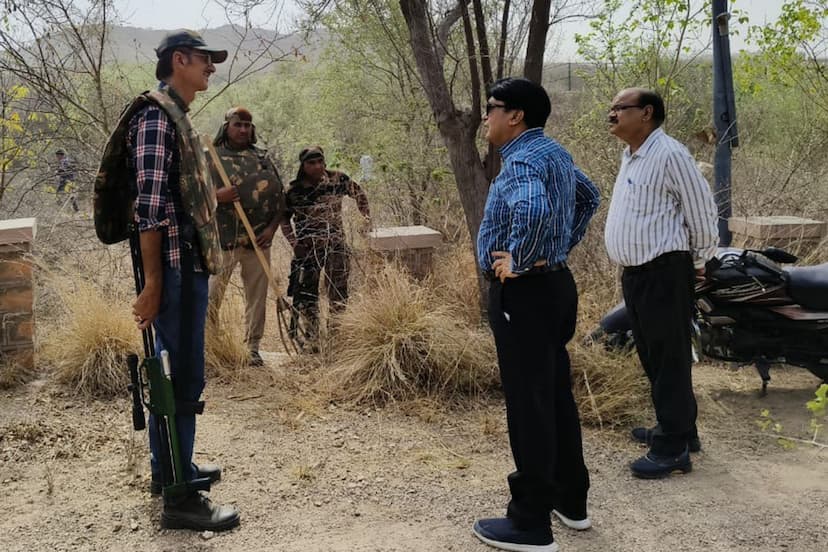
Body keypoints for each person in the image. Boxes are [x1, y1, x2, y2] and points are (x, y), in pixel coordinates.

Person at [473, 77, 600, 552]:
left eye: (491, 108)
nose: (485, 116)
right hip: (555, 286)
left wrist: (523, 259)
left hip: (525, 292)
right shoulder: (555, 154)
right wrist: (557, 250)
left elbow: (532, 209)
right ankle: (572, 500)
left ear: (516, 115)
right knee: (553, 394)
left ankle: (530, 522)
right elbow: (590, 195)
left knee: (529, 404)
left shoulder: (523, 160)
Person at [128, 29, 240, 531]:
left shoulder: (175, 116)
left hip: (183, 267)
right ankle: (180, 500)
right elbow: (148, 211)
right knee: (180, 380)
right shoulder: (156, 118)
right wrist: (153, 284)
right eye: (204, 61)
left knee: (175, 377)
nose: (210, 68)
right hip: (173, 272)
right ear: (179, 60)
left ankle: (171, 469)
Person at [604, 88, 718, 479]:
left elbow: (701, 211)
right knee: (655, 357)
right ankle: (682, 431)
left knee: (668, 358)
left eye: (620, 108)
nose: (612, 113)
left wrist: (701, 260)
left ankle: (672, 449)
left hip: (664, 272)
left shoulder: (669, 153)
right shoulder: (632, 155)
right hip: (638, 274)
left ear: (646, 113)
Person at [207, 107, 288, 367]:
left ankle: (252, 347)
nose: (243, 129)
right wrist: (217, 197)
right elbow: (190, 197)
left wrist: (271, 229)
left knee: (257, 298)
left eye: (247, 125)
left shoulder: (262, 158)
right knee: (210, 297)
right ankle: (209, 346)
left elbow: (281, 201)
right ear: (226, 126)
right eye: (237, 124)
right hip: (222, 242)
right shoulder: (210, 157)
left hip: (257, 242)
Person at [280, 146, 370, 345]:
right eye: (311, 163)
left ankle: (337, 336)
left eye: (320, 162)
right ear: (303, 166)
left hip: (336, 245)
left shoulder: (338, 179)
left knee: (338, 292)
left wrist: (365, 219)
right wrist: (294, 243)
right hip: (307, 250)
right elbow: (284, 219)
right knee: (307, 295)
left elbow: (359, 195)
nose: (317, 166)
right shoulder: (293, 189)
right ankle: (312, 338)